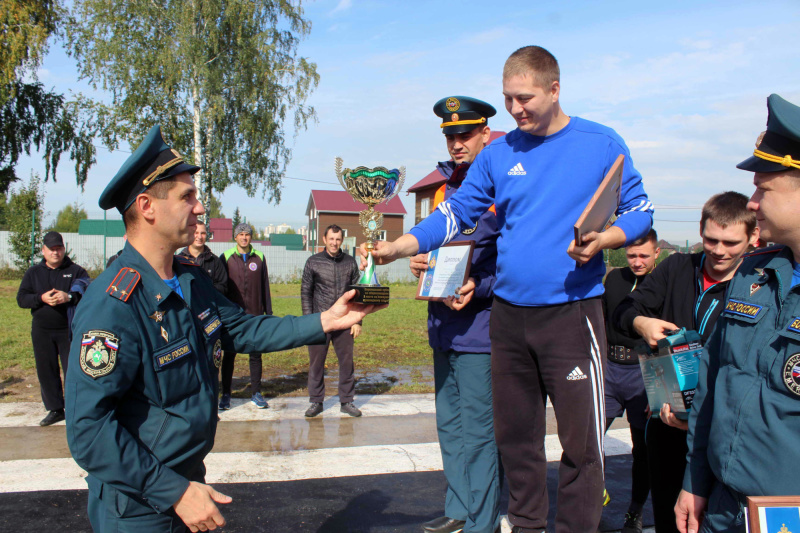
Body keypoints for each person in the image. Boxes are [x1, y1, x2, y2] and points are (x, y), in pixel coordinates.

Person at [363, 46, 653, 533]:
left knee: (581, 447)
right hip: (510, 319)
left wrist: (607, 238)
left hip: (572, 314)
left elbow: (640, 209)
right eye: (509, 99)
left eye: (525, 98)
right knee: (516, 441)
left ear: (554, 89)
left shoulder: (601, 143)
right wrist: (402, 246)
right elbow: (455, 215)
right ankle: (526, 526)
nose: (516, 109)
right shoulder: (498, 154)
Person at [65, 125, 378, 533]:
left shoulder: (191, 282)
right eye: (187, 196)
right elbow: (88, 431)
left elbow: (245, 331)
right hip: (139, 504)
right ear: (147, 206)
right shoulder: (112, 304)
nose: (200, 208)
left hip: (188, 479)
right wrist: (172, 491)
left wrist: (325, 320)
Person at [675, 94, 800, 533]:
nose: (751, 202)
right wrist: (695, 481)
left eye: (763, 188)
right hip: (725, 505)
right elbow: (713, 380)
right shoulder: (753, 274)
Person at [614, 192, 758, 533]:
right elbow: (623, 311)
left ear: (753, 238)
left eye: (730, 242)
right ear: (700, 230)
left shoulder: (758, 284)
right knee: (670, 518)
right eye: (710, 239)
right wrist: (642, 323)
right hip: (667, 424)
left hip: (723, 431)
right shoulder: (678, 267)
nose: (719, 250)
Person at [414, 96, 502, 533]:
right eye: (449, 135)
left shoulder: (502, 188)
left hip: (480, 330)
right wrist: (422, 261)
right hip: (442, 325)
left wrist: (479, 286)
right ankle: (459, 508)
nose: (456, 142)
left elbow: (515, 264)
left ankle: (482, 523)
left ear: (486, 133)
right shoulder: (443, 189)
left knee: (479, 432)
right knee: (449, 423)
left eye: (464, 133)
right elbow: (441, 247)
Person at [602, 228, 661, 533]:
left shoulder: (663, 283)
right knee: (587, 441)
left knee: (643, 450)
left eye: (644, 256)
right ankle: (592, 496)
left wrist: (659, 392)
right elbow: (601, 319)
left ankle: (634, 513)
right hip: (610, 370)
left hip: (643, 373)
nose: (637, 261)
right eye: (632, 255)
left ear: (656, 254)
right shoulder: (614, 279)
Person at [16, 231, 89, 426]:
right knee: (46, 370)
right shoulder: (33, 272)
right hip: (42, 330)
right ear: (43, 251)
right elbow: (21, 299)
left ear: (64, 249)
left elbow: (88, 293)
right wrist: (40, 298)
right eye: (51, 249)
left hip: (68, 330)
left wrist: (69, 297)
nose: (56, 253)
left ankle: (76, 409)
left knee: (73, 370)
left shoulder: (76, 271)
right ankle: (55, 409)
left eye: (59, 249)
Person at [301, 224, 363, 418]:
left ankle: (347, 401)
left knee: (346, 362)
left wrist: (357, 321)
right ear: (324, 239)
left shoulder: (350, 262)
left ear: (342, 240)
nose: (334, 242)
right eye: (331, 239)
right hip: (320, 320)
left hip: (344, 321)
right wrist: (309, 321)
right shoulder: (313, 262)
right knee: (316, 363)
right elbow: (305, 292)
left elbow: (357, 293)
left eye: (338, 239)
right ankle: (316, 402)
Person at [218, 223, 272, 409]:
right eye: (240, 234)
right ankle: (226, 394)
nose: (244, 237)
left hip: (255, 315)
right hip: (233, 316)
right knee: (229, 355)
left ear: (251, 237)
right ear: (235, 237)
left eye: (247, 234)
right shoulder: (225, 257)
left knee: (255, 355)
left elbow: (265, 287)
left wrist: (269, 314)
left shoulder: (260, 257)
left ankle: (256, 393)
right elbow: (221, 289)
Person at [178, 222, 228, 295]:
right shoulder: (179, 260)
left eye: (203, 233)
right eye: (196, 233)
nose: (200, 237)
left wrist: (205, 289)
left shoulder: (214, 261)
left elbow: (223, 287)